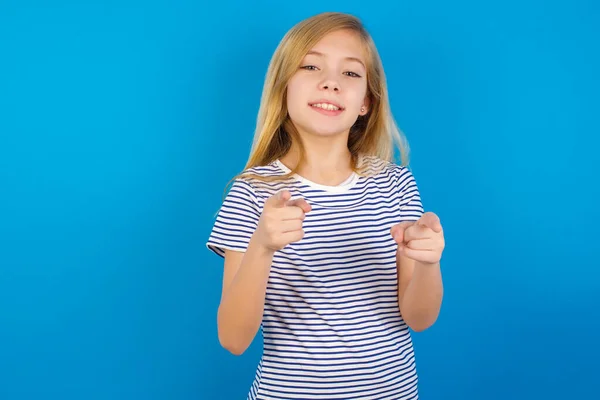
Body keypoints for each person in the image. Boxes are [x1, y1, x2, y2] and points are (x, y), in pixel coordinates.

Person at [206, 11, 445, 400]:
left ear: (366, 102)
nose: (331, 82)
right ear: (283, 88)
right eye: (311, 66)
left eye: (350, 73)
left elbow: (419, 318)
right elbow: (233, 339)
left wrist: (430, 262)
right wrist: (261, 248)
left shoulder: (395, 184)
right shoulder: (251, 193)